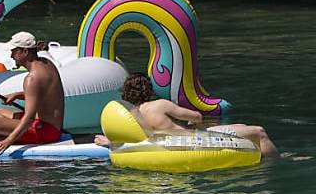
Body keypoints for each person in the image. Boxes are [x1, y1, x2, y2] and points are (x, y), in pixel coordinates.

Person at [94, 72, 279, 158]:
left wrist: (108, 142)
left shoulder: (134, 116)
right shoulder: (159, 105)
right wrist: (191, 121)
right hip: (195, 138)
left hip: (166, 142)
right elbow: (197, 116)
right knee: (258, 131)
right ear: (148, 90)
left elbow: (132, 139)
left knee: (243, 127)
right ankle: (276, 161)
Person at [0, 31, 65, 155]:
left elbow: (29, 117)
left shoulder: (32, 78)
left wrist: (8, 141)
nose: (11, 56)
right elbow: (44, 94)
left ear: (25, 52)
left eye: (14, 51)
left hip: (47, 132)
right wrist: (17, 95)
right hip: (49, 125)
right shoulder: (47, 63)